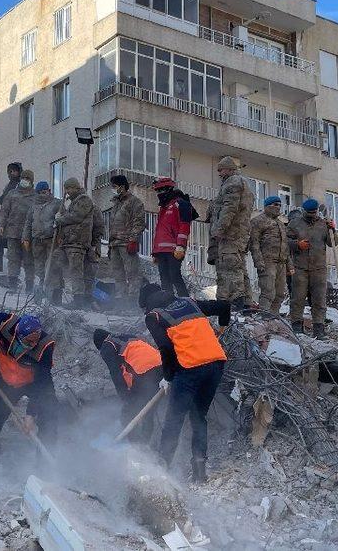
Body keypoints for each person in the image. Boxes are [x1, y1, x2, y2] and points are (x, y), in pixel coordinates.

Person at [138, 283, 231, 483]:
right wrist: (222, 328)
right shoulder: (189, 302)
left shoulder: (153, 316)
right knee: (199, 417)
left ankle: (161, 468)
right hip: (216, 364)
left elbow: (165, 348)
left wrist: (168, 376)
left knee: (174, 419)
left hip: (189, 369)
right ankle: (199, 471)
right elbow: (224, 306)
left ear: (146, 304)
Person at [0, 313, 57, 471]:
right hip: (8, 380)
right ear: (18, 334)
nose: (33, 344)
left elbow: (43, 381)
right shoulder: (5, 323)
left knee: (49, 420)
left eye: (36, 339)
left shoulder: (45, 346)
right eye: (28, 341)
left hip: (35, 383)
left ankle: (44, 469)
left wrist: (30, 414)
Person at [92, 328, 162, 443]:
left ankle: (136, 447)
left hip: (143, 372)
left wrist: (125, 397)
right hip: (162, 367)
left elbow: (115, 372)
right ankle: (146, 443)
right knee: (148, 409)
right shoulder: (127, 336)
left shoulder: (107, 345)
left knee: (127, 414)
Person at [207, 157, 254, 309]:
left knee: (230, 268)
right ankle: (246, 303)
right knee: (239, 268)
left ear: (229, 169)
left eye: (221, 169)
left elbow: (230, 208)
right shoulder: (241, 183)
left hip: (231, 234)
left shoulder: (233, 182)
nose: (219, 173)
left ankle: (235, 305)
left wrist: (220, 229)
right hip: (238, 234)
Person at [287, 198, 336, 337]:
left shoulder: (323, 224)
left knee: (319, 299)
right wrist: (297, 244)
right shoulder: (294, 224)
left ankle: (319, 329)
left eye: (314, 212)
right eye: (310, 212)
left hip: (319, 268)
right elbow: (285, 242)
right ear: (304, 211)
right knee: (298, 298)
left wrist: (332, 229)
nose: (312, 215)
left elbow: (333, 243)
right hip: (300, 267)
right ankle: (297, 327)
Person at [51, 178, 94, 306]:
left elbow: (76, 216)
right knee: (54, 262)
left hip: (77, 243)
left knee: (76, 272)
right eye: (66, 189)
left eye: (69, 188)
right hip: (67, 243)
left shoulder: (84, 200)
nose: (67, 191)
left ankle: (78, 300)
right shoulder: (73, 202)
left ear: (76, 187)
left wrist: (60, 219)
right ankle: (55, 293)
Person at [107, 175, 147, 309]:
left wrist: (133, 240)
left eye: (114, 186)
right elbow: (112, 225)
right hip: (114, 245)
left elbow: (139, 222)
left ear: (122, 187)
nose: (112, 189)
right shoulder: (116, 204)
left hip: (126, 243)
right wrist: (109, 245)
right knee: (118, 274)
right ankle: (120, 302)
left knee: (132, 273)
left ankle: (132, 303)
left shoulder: (134, 202)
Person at [152, 178, 196, 298]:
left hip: (174, 250)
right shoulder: (163, 208)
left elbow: (184, 226)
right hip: (161, 251)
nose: (159, 193)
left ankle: (186, 302)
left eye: (161, 190)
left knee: (175, 276)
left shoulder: (181, 204)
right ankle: (168, 303)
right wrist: (155, 252)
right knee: (164, 279)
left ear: (169, 189)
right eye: (157, 191)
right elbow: (160, 231)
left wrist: (181, 246)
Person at [250, 196, 290, 314]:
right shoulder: (257, 221)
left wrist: (290, 265)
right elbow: (254, 243)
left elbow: (285, 245)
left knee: (279, 293)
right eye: (275, 204)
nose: (277, 207)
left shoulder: (281, 224)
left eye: (279, 205)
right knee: (268, 291)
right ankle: (264, 315)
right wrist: (258, 261)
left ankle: (273, 317)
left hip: (281, 263)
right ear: (267, 206)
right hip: (267, 262)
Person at [0, 169, 36, 289]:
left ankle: (30, 285)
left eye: (28, 179)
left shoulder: (36, 196)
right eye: (24, 178)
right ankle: (12, 283)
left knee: (29, 260)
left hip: (28, 235)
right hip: (13, 232)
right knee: (13, 259)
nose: (25, 180)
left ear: (32, 181)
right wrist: (1, 225)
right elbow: (4, 211)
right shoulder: (12, 194)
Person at [23, 181, 61, 292]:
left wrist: (60, 235)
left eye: (44, 191)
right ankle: (42, 287)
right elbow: (28, 222)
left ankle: (55, 292)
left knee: (52, 266)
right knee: (39, 266)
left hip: (51, 240)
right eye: (39, 192)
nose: (42, 194)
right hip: (37, 240)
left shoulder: (57, 203)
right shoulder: (34, 206)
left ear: (49, 191)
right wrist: (26, 238)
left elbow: (64, 221)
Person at [0, 162, 23, 272]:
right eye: (10, 171)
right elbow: (3, 201)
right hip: (4, 217)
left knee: (13, 243)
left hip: (15, 219)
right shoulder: (9, 185)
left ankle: (15, 267)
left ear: (19, 171)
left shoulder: (20, 185)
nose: (12, 173)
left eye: (14, 171)